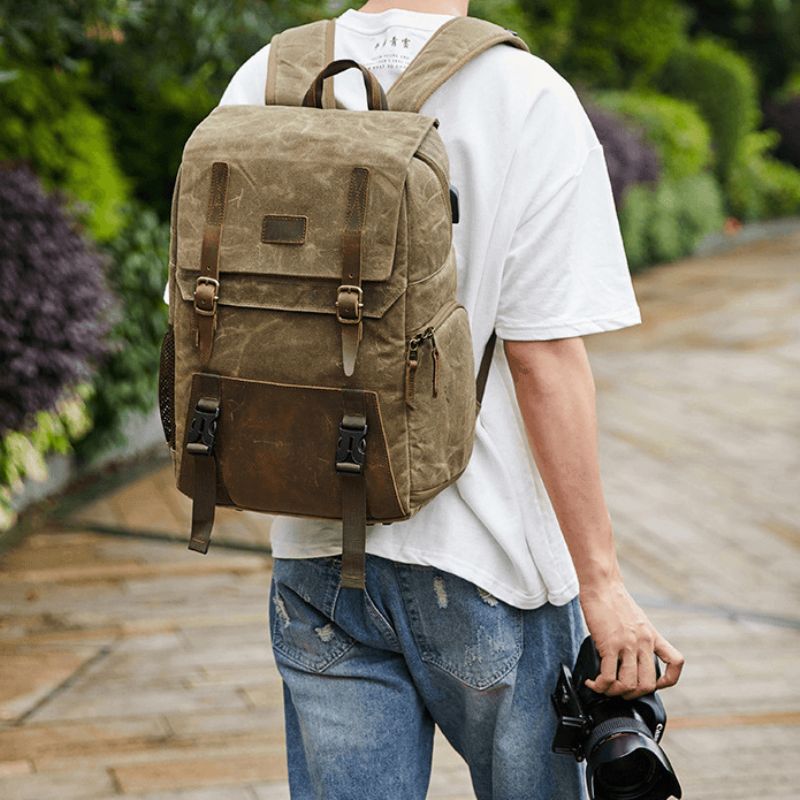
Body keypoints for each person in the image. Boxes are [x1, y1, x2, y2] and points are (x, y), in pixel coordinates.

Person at [210, 1, 686, 797]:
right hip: (485, 553)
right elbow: (544, 360)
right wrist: (603, 586)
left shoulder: (268, 75)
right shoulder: (524, 94)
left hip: (314, 546)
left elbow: (201, 311)